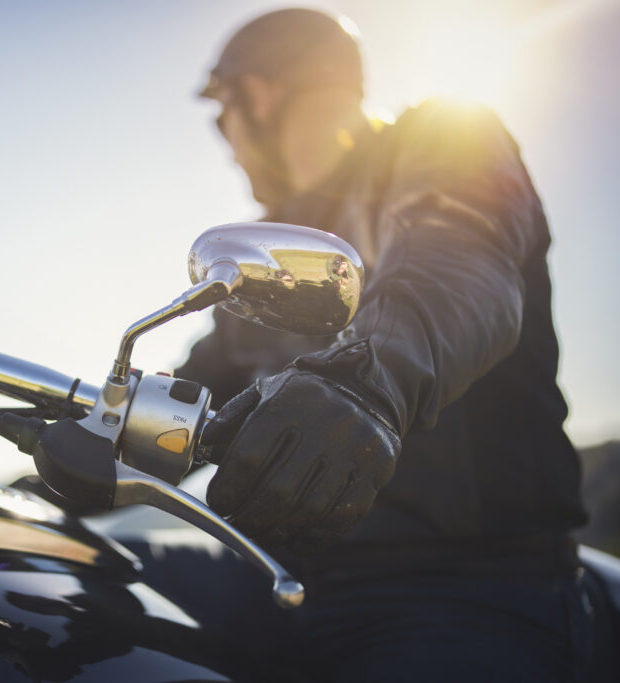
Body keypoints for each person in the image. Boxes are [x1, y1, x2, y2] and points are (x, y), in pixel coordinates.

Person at [175, 8, 598, 680]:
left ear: (258, 94)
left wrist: (364, 378)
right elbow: (193, 390)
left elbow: (458, 258)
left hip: (463, 583)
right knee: (42, 591)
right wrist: (82, 436)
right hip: (280, 574)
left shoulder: (444, 138)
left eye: (222, 112)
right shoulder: (274, 244)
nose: (222, 138)